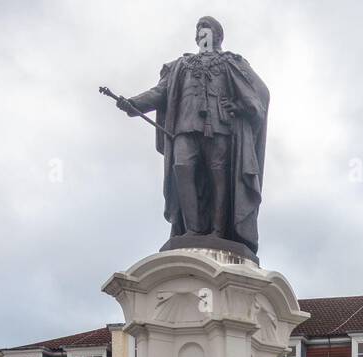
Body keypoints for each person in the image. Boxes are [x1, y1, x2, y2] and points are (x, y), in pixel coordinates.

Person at [114, 15, 269, 253]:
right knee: (182, 168)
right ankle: (193, 230)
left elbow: (259, 95)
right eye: (198, 31)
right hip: (185, 128)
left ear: (217, 36)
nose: (201, 34)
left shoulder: (231, 62)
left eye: (205, 30)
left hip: (220, 129)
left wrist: (238, 107)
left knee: (219, 177)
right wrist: (133, 104)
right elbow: (159, 92)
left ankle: (218, 231)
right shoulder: (180, 66)